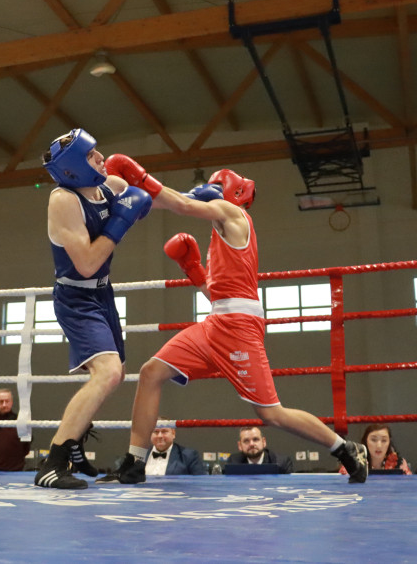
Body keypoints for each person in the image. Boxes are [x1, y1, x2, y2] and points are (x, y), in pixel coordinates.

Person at [102, 158, 368, 484]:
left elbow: (182, 204)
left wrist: (140, 181)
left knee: (271, 414)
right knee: (151, 372)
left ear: (232, 192)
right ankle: (134, 464)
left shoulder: (235, 215)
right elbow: (218, 296)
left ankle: (344, 448)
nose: (210, 195)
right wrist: (193, 268)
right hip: (216, 323)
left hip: (240, 328)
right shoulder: (221, 233)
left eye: (217, 189)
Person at [33, 129, 153, 490]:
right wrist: (120, 222)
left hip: (103, 294)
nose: (102, 158)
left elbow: (147, 199)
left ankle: (75, 445)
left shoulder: (110, 185)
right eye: (91, 156)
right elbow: (85, 263)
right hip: (76, 296)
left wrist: (200, 202)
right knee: (108, 372)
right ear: (71, 169)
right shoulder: (62, 201)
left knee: (115, 372)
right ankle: (51, 463)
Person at [0, 388, 30, 471]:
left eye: (7, 401)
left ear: (11, 402)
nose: (4, 405)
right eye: (1, 401)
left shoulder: (21, 421)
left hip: (16, 470)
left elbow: (26, 448)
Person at [226, 426, 294, 473]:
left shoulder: (281, 463)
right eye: (246, 441)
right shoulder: (233, 462)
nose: (251, 444)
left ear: (263, 442)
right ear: (240, 445)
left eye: (255, 439)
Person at [141, 426, 206, 476]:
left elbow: (200, 483)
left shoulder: (189, 456)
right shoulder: (140, 454)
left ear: (173, 434)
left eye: (164, 431)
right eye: (156, 432)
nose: (160, 436)